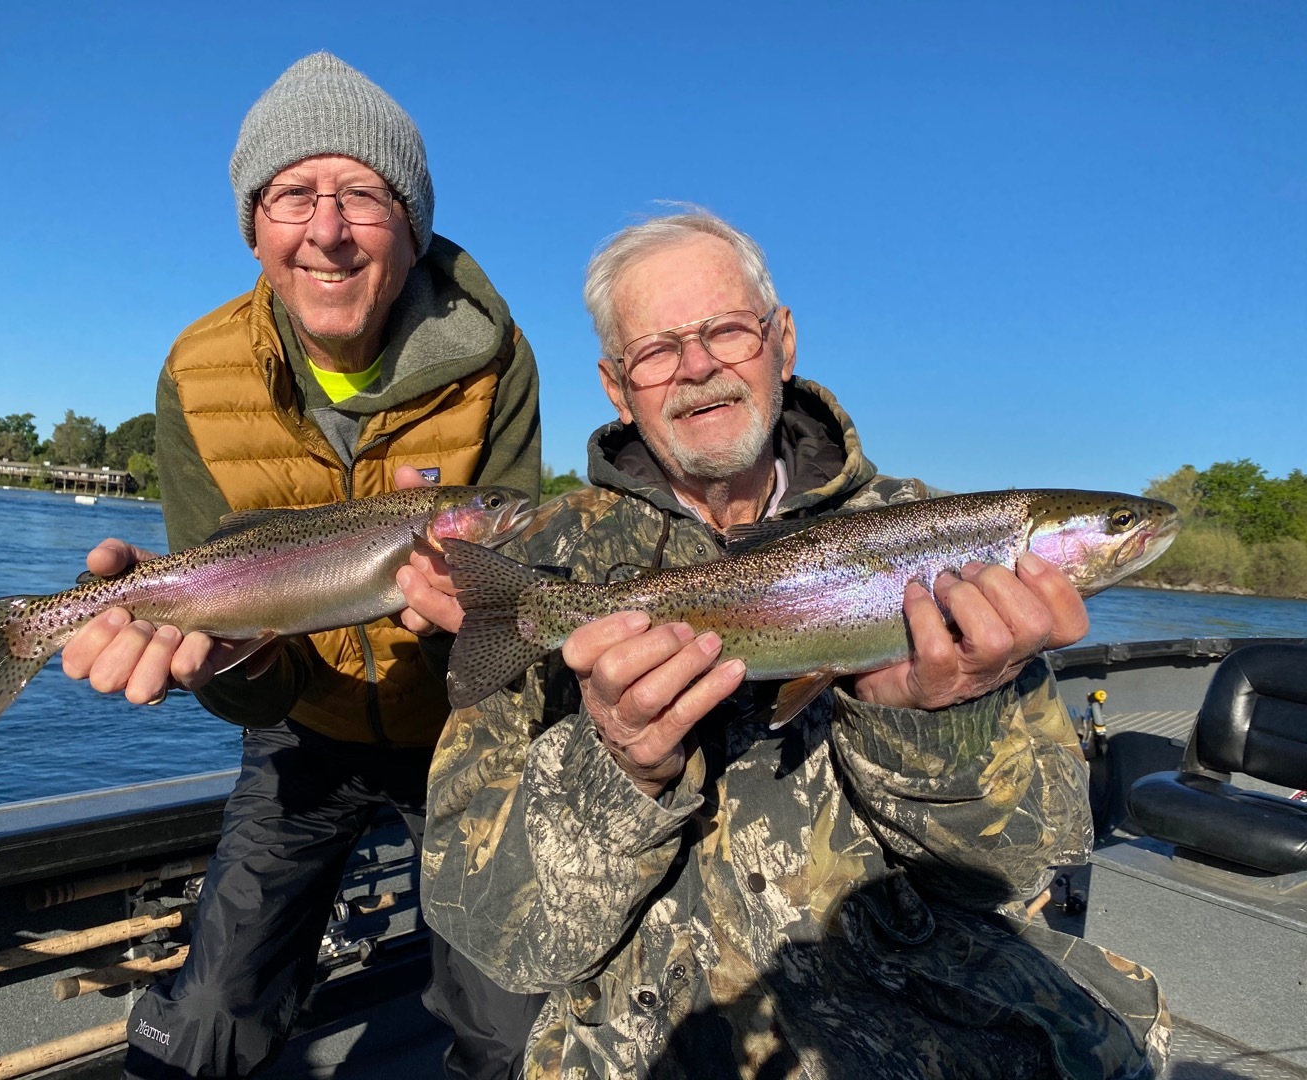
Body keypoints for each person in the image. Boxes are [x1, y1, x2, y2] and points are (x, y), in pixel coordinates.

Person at [399, 211, 1171, 1079]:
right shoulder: (541, 565)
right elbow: (496, 935)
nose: (697, 366)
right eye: (656, 350)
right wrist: (618, 769)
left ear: (783, 339)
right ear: (617, 388)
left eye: (726, 329)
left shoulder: (964, 567)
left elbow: (1024, 868)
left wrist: (933, 720)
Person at [60, 53, 545, 1079]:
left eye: (362, 195)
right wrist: (222, 661)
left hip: (459, 728)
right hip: (300, 727)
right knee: (206, 1024)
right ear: (255, 226)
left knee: (520, 1033)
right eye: (292, 195)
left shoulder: (499, 355)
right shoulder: (196, 372)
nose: (326, 229)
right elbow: (251, 667)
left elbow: (512, 600)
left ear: (410, 227)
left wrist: (469, 615)